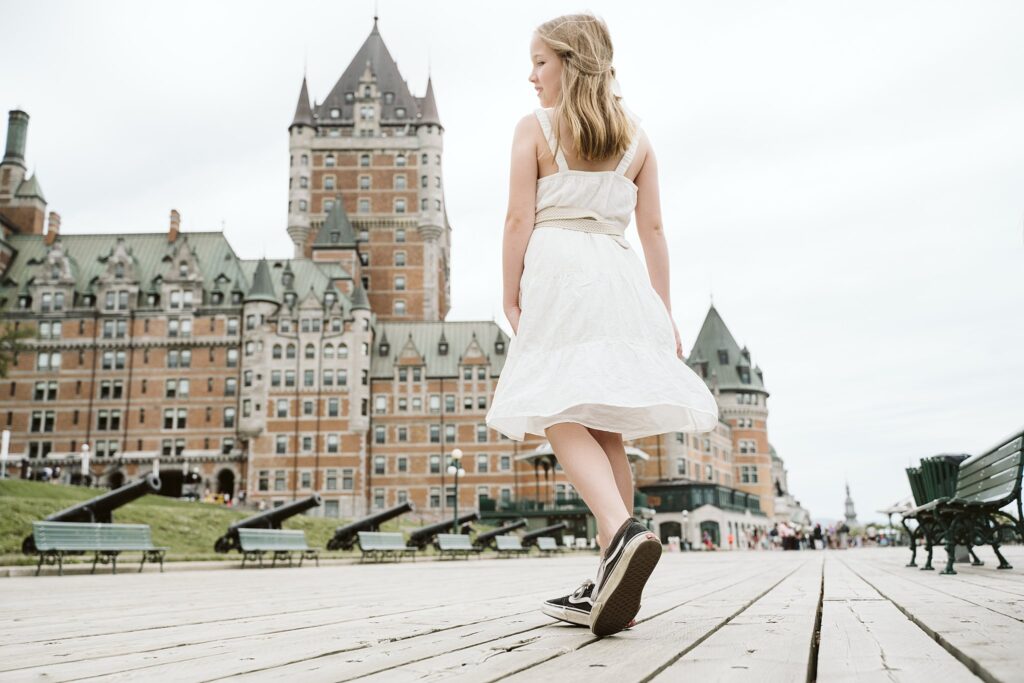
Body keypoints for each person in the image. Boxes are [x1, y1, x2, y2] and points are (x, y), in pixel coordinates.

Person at [485, 13, 719, 638]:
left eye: (540, 62)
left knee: (556, 407)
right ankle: (611, 579)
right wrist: (663, 312)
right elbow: (655, 233)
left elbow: (516, 221)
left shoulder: (535, 129)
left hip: (561, 270)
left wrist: (508, 296)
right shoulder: (638, 139)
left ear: (569, 60)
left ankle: (621, 537)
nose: (531, 75)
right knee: (606, 427)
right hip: (620, 277)